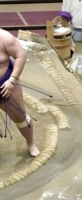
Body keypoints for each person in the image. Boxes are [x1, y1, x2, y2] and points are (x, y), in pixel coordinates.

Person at [0, 28, 40, 157]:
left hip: (6, 84)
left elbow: (21, 55)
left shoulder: (5, 38)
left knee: (20, 116)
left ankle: (31, 143)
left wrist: (12, 80)